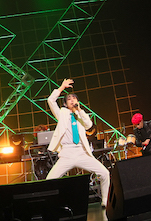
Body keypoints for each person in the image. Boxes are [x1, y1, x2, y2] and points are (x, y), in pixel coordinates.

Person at [45, 79, 110, 207]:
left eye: (74, 98)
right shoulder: (61, 114)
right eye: (69, 99)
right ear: (65, 103)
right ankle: (50, 207)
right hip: (67, 154)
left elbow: (89, 125)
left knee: (105, 173)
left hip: (82, 152)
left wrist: (79, 110)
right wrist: (62, 87)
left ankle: (105, 201)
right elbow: (50, 100)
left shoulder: (80, 115)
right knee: (49, 181)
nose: (72, 100)